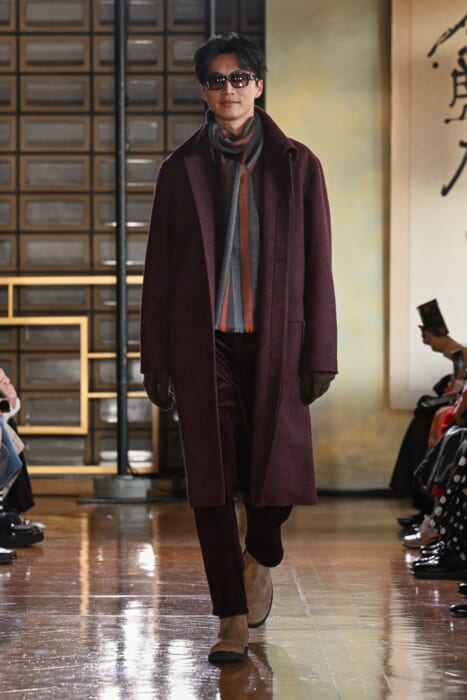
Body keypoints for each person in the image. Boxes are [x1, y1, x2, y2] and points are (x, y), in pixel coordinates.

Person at [140, 32, 337, 664]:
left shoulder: (298, 165)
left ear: (259, 85)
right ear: (204, 90)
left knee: (275, 477)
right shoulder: (180, 170)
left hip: (278, 343)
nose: (229, 89)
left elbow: (319, 265)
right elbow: (158, 270)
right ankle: (229, 616)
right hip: (205, 346)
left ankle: (262, 555)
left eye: (240, 77)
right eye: (217, 80)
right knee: (211, 481)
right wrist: (155, 357)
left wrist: (321, 352)